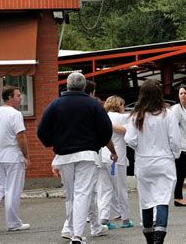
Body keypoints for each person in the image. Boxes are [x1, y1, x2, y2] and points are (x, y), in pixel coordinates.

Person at [37, 73, 114, 244]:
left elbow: (42, 130)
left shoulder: (55, 105)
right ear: (84, 87)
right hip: (87, 153)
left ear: (68, 85)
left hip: (64, 155)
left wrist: (53, 143)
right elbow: (106, 129)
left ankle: (70, 229)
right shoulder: (93, 105)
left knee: (71, 195)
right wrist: (98, 144)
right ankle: (77, 235)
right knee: (83, 193)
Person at [124, 79, 181, 244]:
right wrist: (175, 154)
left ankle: (149, 237)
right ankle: (159, 237)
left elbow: (130, 139)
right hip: (164, 161)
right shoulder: (168, 114)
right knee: (162, 199)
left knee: (146, 200)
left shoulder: (137, 115)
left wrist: (140, 146)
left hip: (144, 162)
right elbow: (175, 140)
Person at [0, 86, 30, 233]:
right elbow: (20, 136)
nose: (20, 98)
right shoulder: (15, 114)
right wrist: (26, 156)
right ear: (10, 97)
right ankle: (13, 222)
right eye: (18, 95)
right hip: (13, 156)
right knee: (13, 188)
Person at [97, 96, 134, 229]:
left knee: (105, 189)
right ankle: (125, 219)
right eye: (123, 105)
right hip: (117, 158)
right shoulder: (123, 118)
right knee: (121, 189)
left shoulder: (102, 116)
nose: (124, 108)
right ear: (119, 105)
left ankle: (104, 218)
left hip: (102, 157)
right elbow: (128, 132)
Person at [171, 85, 186, 207]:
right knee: (179, 172)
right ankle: (178, 197)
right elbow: (173, 127)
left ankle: (178, 196)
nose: (183, 95)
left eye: (185, 93)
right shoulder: (176, 109)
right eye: (181, 93)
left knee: (182, 172)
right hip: (179, 145)